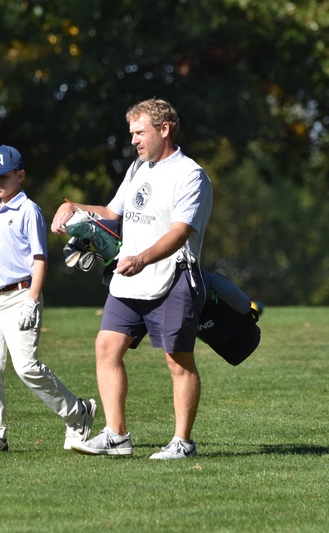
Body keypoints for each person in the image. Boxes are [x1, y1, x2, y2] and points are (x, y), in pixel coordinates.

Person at [50, 99, 213, 459]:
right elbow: (111, 212)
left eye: (140, 132)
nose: (134, 140)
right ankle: (116, 435)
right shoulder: (138, 167)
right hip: (129, 278)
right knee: (107, 348)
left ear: (164, 129)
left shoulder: (190, 175)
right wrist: (72, 207)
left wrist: (142, 258)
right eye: (132, 133)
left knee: (178, 361)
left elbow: (181, 232)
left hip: (172, 277)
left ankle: (183, 442)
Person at [0, 144, 97, 455]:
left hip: (20, 296)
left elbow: (40, 258)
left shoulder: (28, 210)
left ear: (20, 175)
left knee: (26, 368)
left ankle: (78, 413)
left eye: (3, 176)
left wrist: (32, 299)